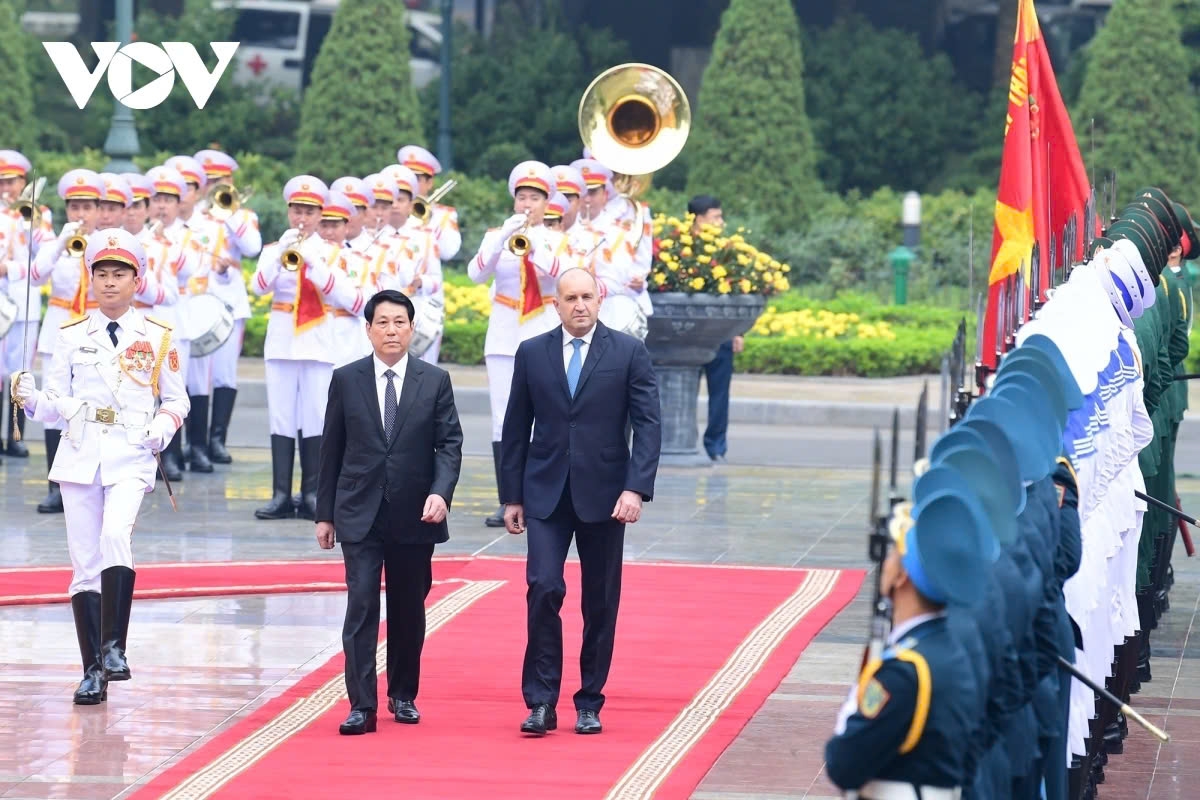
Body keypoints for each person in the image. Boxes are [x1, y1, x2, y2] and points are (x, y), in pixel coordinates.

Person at [11, 228, 189, 705]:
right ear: (90, 278)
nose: (110, 282)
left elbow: (177, 399)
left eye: (120, 274)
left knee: (115, 535)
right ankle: (92, 669)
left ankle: (115, 649)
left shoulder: (156, 337)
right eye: (102, 273)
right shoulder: (70, 337)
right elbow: (54, 404)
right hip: (79, 455)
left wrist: (163, 428)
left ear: (138, 280)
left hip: (131, 453)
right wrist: (29, 400)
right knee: (84, 565)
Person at [501, 267, 662, 736]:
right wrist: (512, 495)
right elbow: (515, 427)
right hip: (545, 495)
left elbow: (648, 425)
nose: (579, 305)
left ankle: (589, 700)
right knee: (544, 588)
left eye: (587, 296)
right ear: (556, 303)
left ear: (600, 298)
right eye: (570, 298)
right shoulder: (533, 353)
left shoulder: (629, 353)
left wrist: (636, 488)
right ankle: (540, 701)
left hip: (607, 496)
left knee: (600, 602)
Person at [315, 288, 463, 735]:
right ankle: (361, 704)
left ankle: (403, 694)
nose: (392, 330)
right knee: (360, 606)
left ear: (412, 328)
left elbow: (449, 445)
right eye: (383, 322)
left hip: (415, 514)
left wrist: (441, 493)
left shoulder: (434, 380)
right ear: (369, 329)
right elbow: (331, 449)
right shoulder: (346, 379)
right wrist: (325, 514)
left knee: (407, 609)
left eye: (400, 322)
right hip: (359, 512)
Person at [824, 484, 992, 797]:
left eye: (892, 554)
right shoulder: (956, 649)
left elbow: (842, 763)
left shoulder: (905, 672)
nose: (885, 562)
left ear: (903, 577)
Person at [251, 176, 362, 521]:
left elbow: (353, 301)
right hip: (283, 342)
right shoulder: (274, 250)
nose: (301, 217)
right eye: (296, 210)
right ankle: (281, 494)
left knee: (317, 418)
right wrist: (281, 255)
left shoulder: (335, 254)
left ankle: (313, 492)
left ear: (319, 215)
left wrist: (313, 262)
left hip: (318, 342)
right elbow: (258, 287)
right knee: (281, 417)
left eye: (309, 211)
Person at [688, 195, 742, 462]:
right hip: (684, 337)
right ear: (698, 219)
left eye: (721, 217)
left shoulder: (728, 251)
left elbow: (738, 293)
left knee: (720, 394)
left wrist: (738, 331)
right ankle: (681, 441)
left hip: (720, 335)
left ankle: (716, 446)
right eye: (715, 217)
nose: (722, 222)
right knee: (682, 390)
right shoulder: (678, 250)